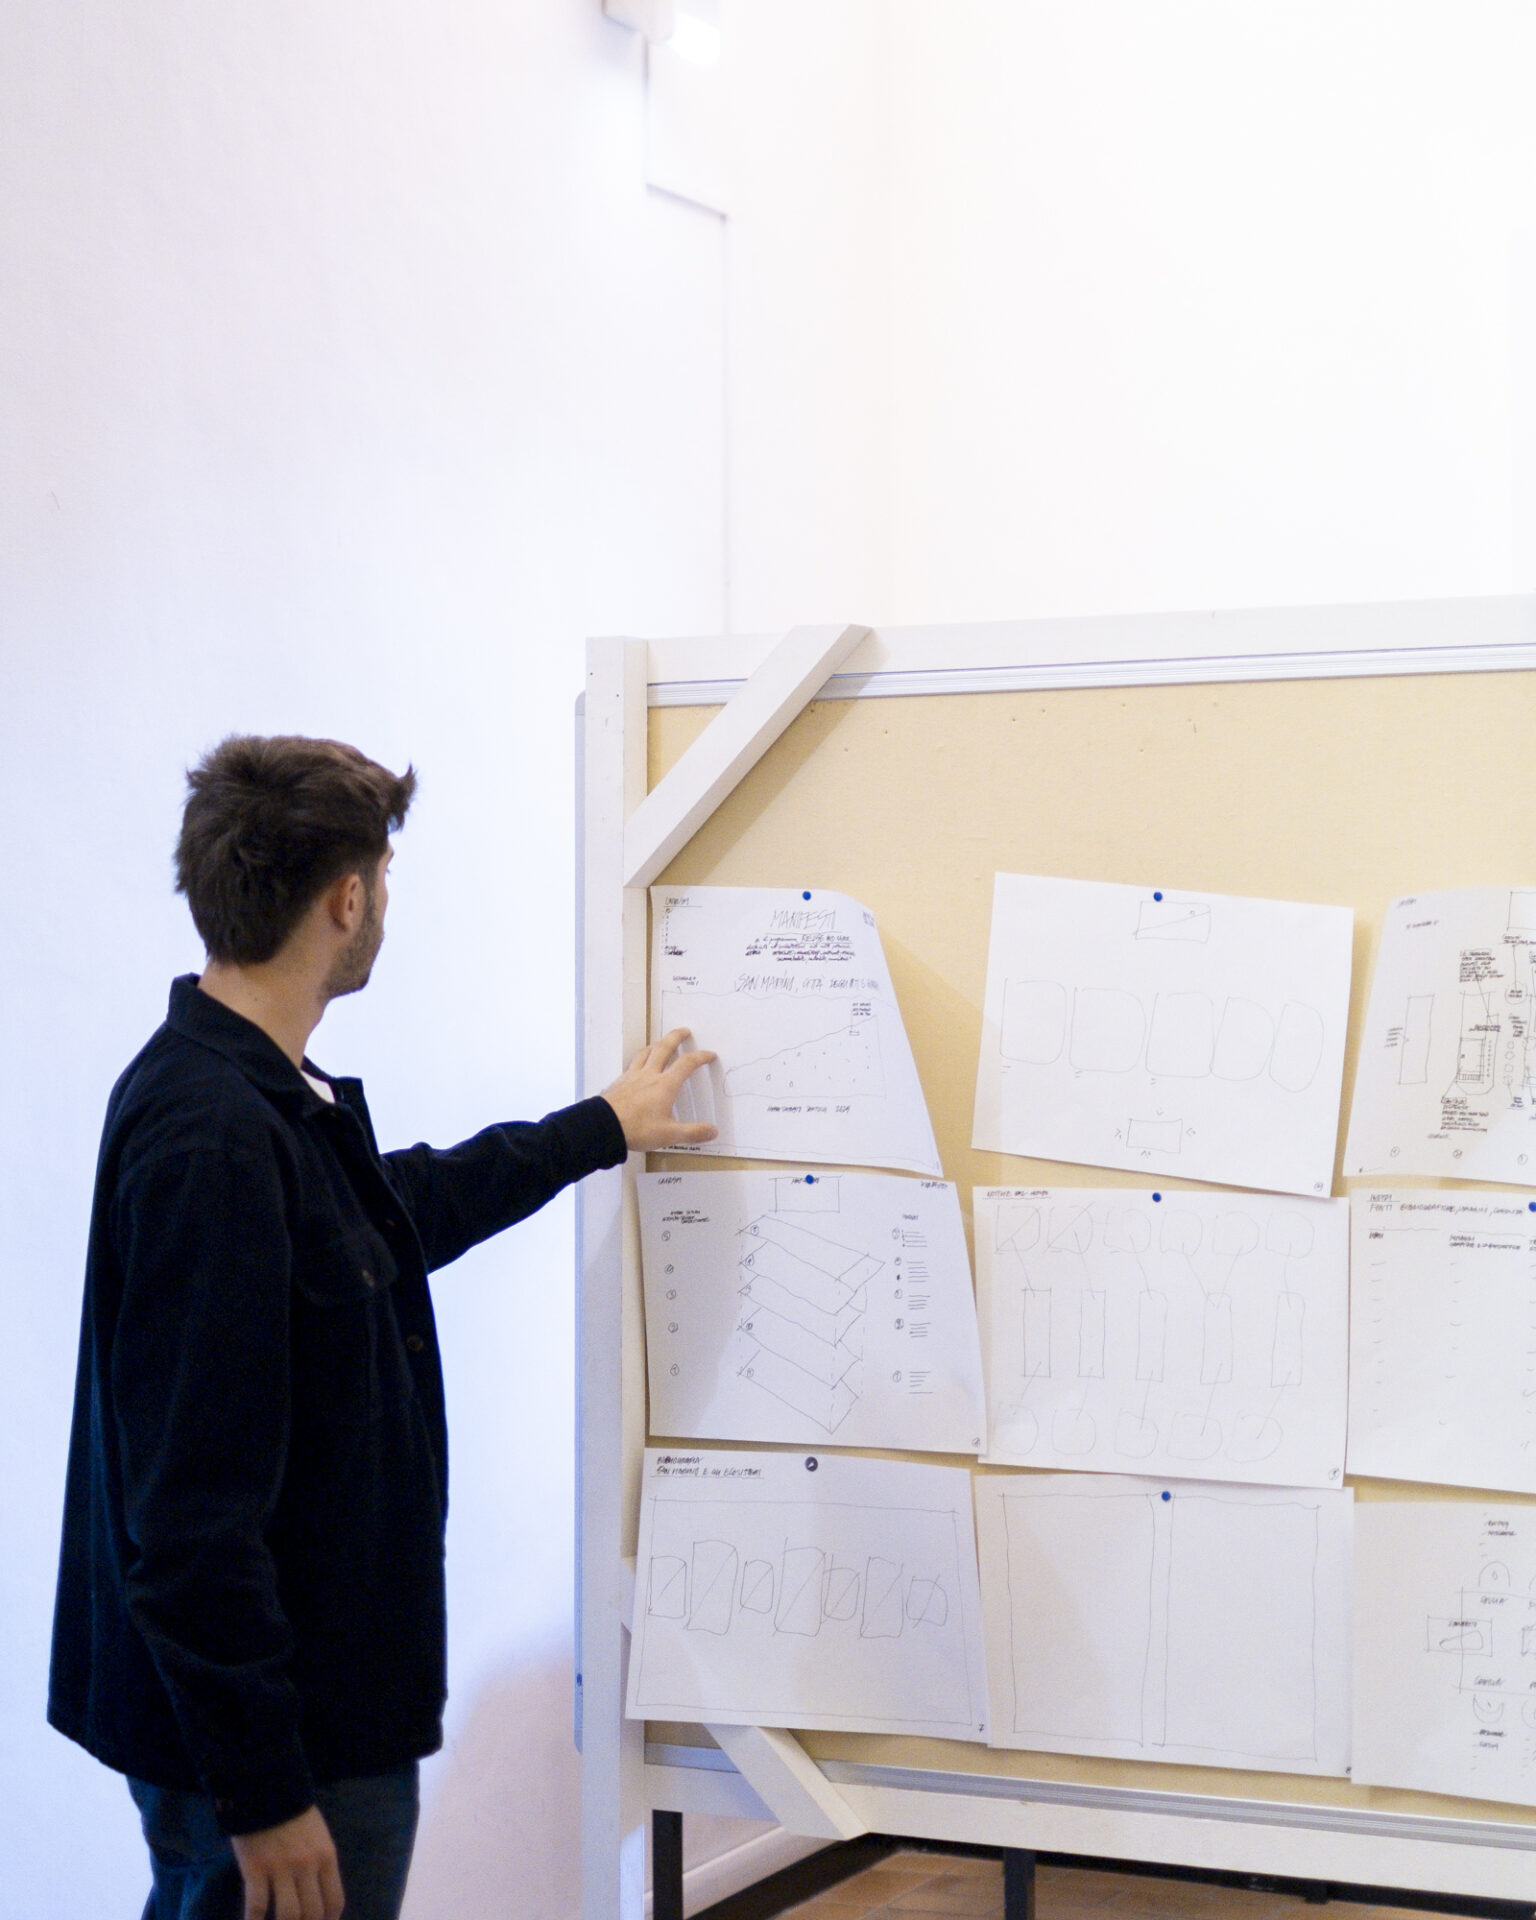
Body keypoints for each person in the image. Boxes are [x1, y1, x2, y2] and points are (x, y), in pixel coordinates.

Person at [48, 734, 715, 1920]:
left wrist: (601, 1125)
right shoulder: (211, 1138)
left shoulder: (250, 1094)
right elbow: (189, 1519)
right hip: (287, 1749)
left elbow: (396, 1212)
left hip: (301, 1721)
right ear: (347, 900)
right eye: (385, 879)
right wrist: (264, 1793)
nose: (385, 906)